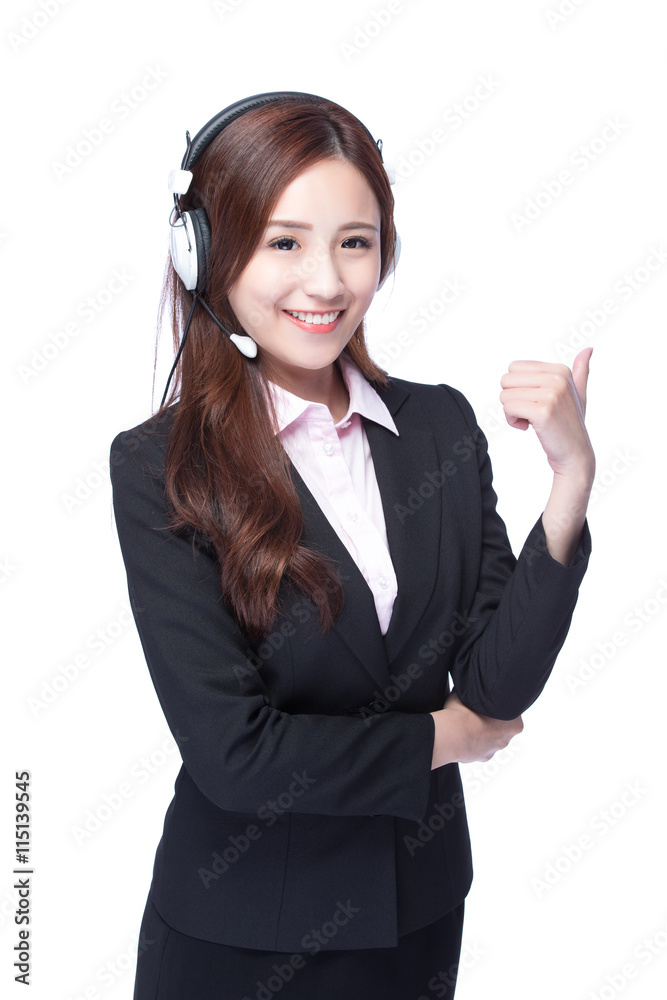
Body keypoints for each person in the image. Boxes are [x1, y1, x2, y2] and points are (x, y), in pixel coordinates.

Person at [109, 91, 594, 1000]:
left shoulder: (439, 427)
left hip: (418, 919)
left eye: (355, 242)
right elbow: (235, 754)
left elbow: (495, 684)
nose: (326, 283)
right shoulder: (159, 469)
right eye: (283, 242)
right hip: (240, 940)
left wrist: (568, 484)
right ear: (205, 254)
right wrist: (440, 740)